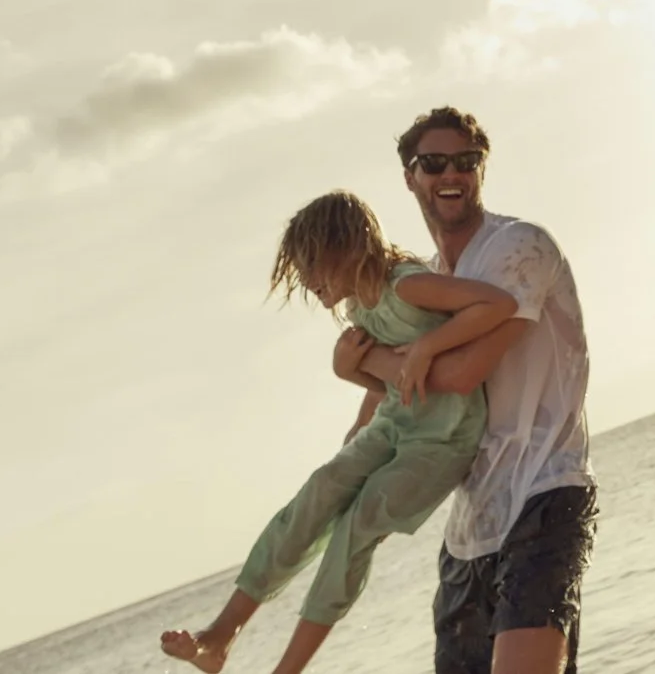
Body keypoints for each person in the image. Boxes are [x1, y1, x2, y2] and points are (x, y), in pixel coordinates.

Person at [160, 192, 516, 674]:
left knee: (358, 525)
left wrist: (428, 345)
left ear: (347, 247)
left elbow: (497, 303)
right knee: (320, 490)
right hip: (394, 424)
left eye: (312, 265)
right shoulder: (358, 310)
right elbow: (393, 382)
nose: (307, 282)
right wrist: (358, 414)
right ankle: (220, 636)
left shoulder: (408, 285)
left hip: (444, 438)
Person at [338, 107, 597, 674]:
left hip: (544, 493)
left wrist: (366, 360)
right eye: (433, 163)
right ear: (410, 177)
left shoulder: (519, 247)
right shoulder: (424, 283)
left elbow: (460, 374)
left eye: (466, 161)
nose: (450, 173)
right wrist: (345, 493)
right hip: (468, 531)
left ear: (482, 168)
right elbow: (388, 407)